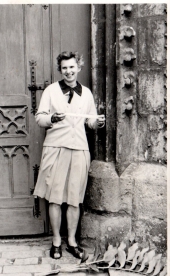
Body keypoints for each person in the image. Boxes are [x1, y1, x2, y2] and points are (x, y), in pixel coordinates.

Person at [33, 51, 105, 260]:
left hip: (79, 149)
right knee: (55, 198)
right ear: (60, 69)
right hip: (55, 148)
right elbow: (40, 118)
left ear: (78, 68)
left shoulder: (87, 94)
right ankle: (56, 242)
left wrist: (97, 123)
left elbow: (90, 121)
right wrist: (52, 118)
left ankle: (72, 242)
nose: (68, 71)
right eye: (64, 67)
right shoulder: (51, 91)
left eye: (72, 67)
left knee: (74, 200)